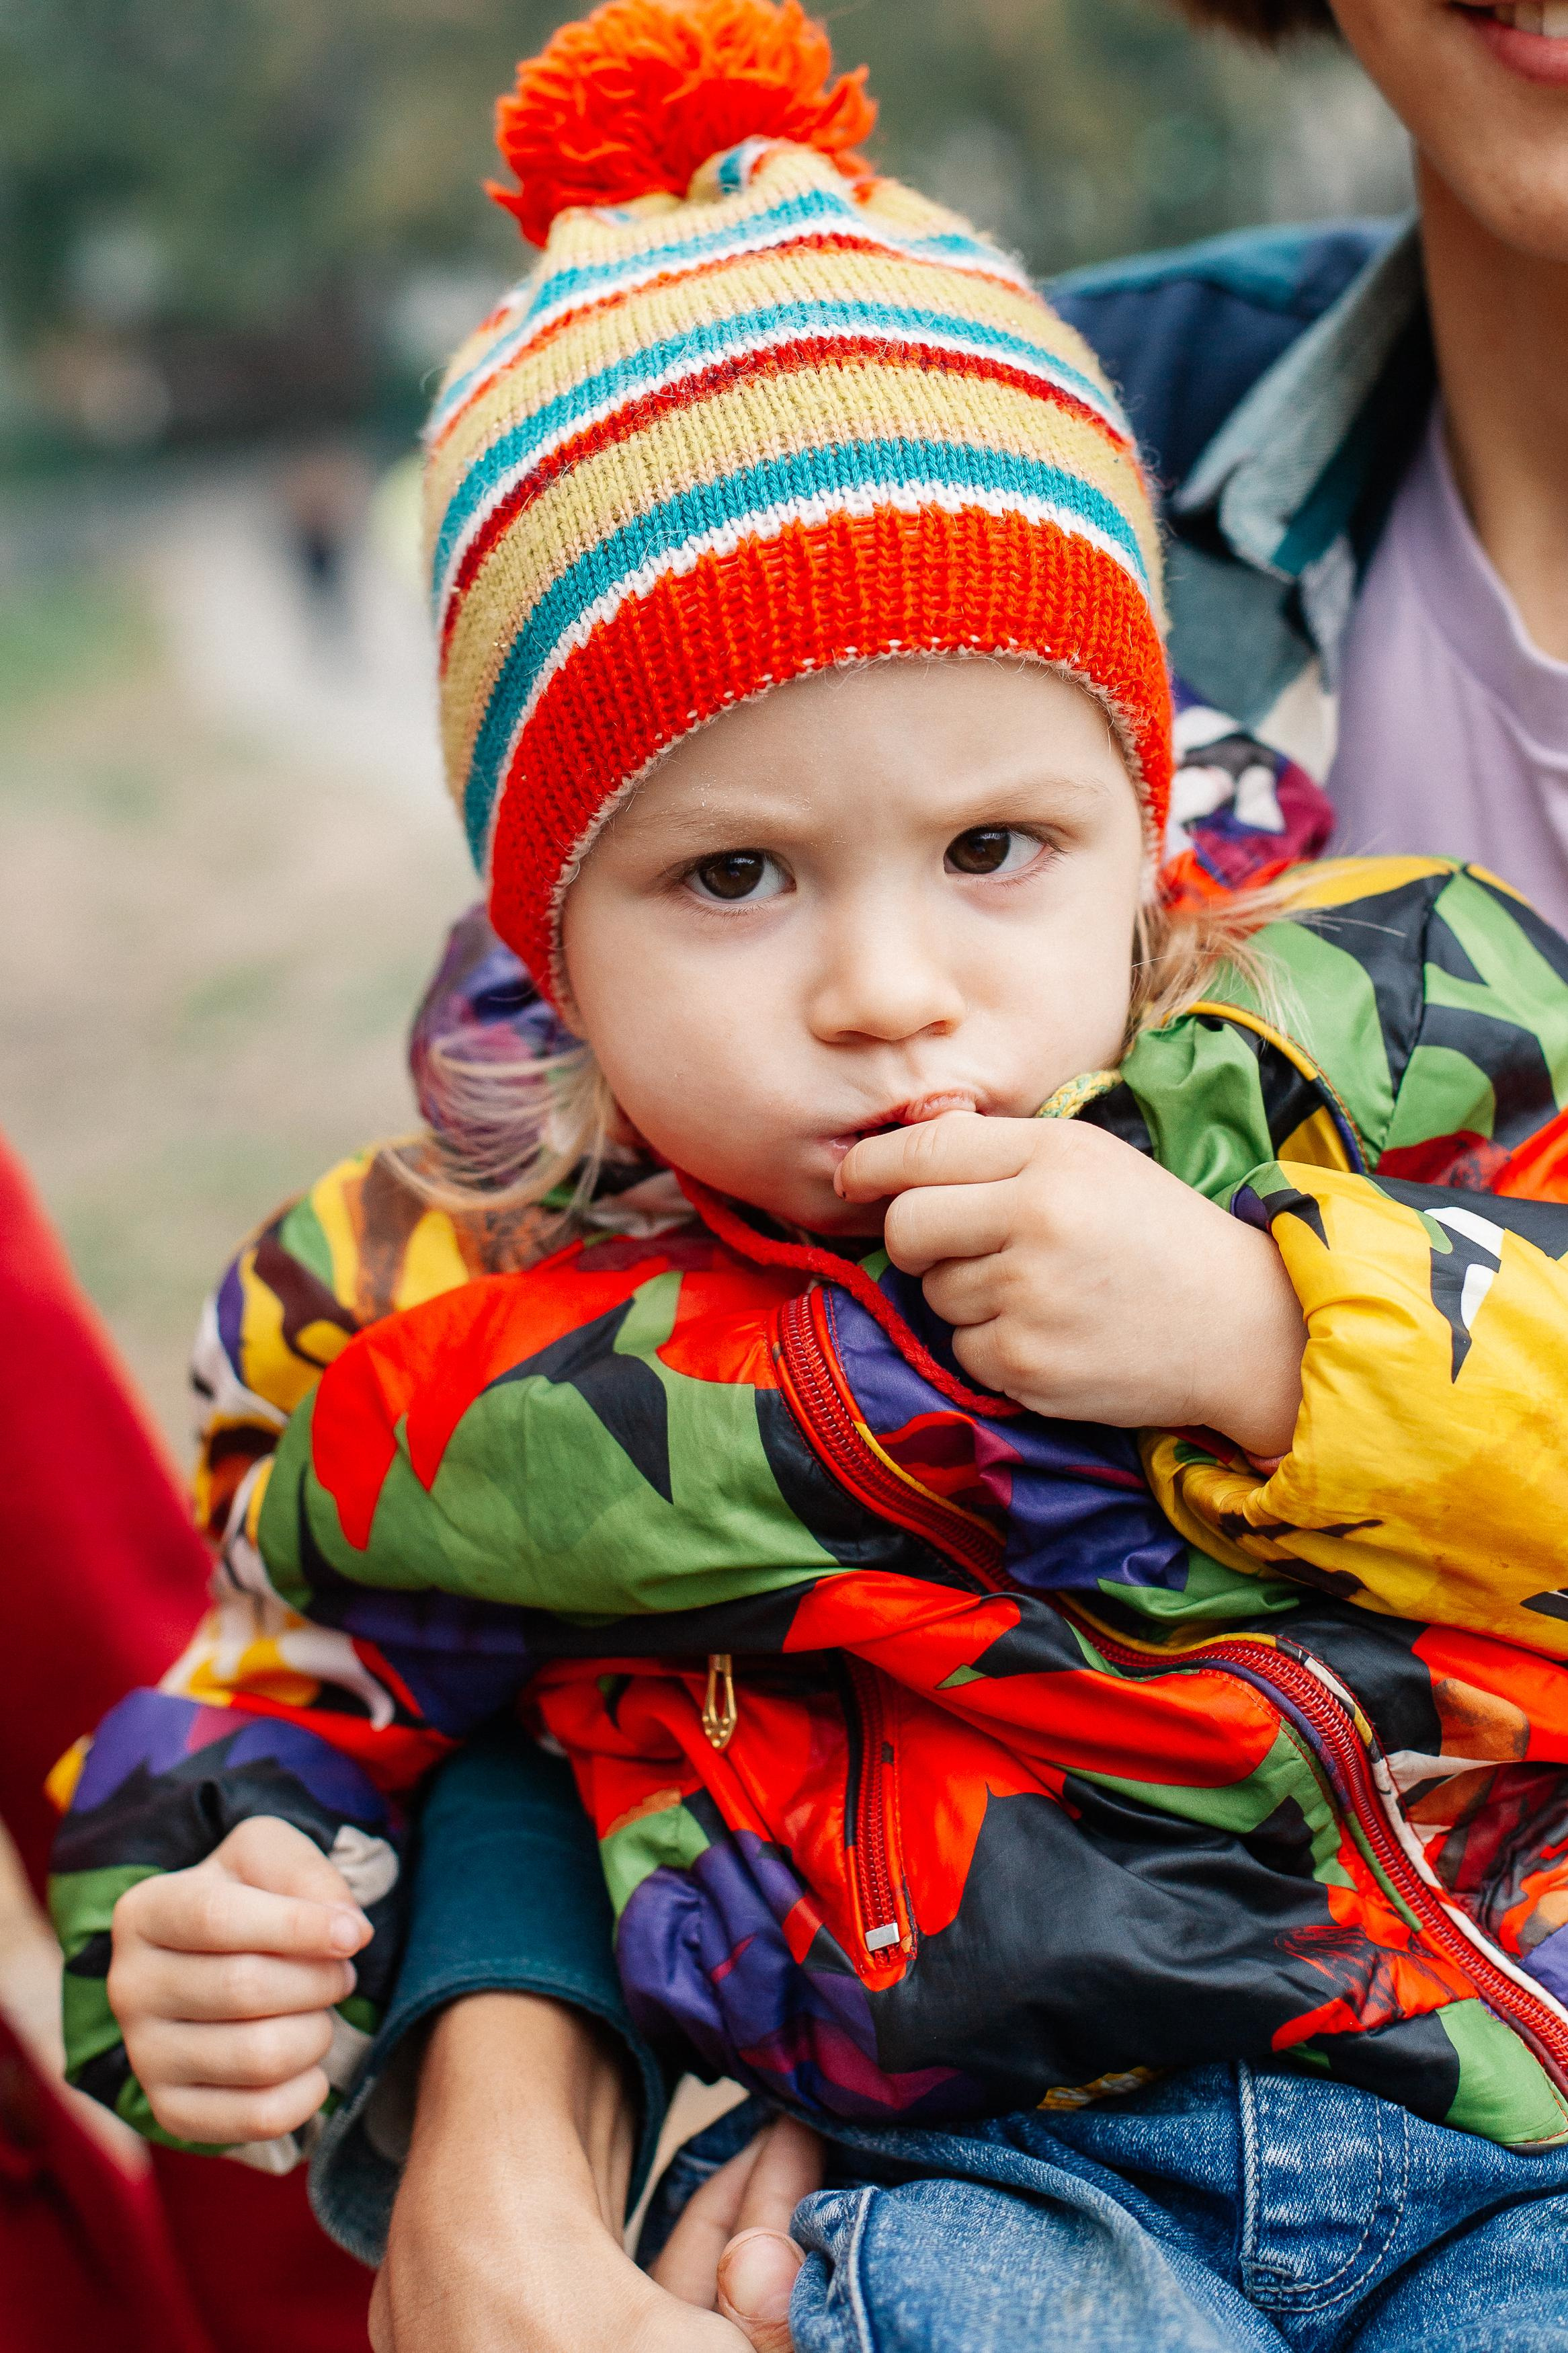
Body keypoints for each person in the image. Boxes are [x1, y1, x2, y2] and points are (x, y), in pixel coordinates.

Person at [53, 5, 1568, 2345]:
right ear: (553, 942)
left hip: (1496, 2091)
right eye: (738, 879)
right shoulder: (473, 1281)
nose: (884, 986)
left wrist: (1275, 1331)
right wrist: (217, 1913)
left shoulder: (1354, 1034)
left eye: (990, 853)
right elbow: (306, 1650)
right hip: (985, 2171)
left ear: (1156, 841)